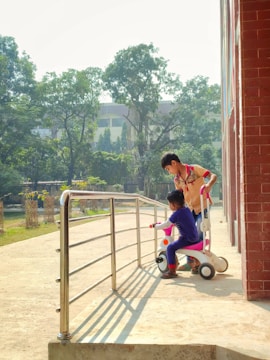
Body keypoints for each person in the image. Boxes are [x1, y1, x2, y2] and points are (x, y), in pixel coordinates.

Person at [161, 152, 217, 272]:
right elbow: (179, 198)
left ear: (174, 163)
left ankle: (198, 261)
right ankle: (190, 262)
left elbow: (213, 176)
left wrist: (209, 185)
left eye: (168, 168)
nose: (169, 171)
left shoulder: (194, 169)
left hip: (203, 206)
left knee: (200, 230)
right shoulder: (177, 180)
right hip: (189, 209)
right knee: (186, 232)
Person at [150, 190, 199, 279]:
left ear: (174, 204)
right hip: (194, 236)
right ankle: (197, 264)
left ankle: (172, 271)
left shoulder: (176, 214)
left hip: (187, 238)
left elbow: (167, 224)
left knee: (170, 248)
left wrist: (156, 226)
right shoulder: (186, 209)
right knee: (177, 244)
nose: (169, 206)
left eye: (169, 203)